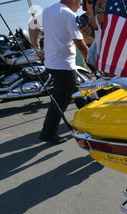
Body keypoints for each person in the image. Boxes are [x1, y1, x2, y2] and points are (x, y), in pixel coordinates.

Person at [29, 0, 89, 145]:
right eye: (79, 2)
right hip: (64, 66)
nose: (80, 5)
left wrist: (37, 48)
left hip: (53, 63)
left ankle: (90, 123)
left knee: (78, 93)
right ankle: (48, 133)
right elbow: (79, 43)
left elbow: (32, 25)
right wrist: (93, 61)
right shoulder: (68, 14)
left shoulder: (50, 9)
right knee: (60, 101)